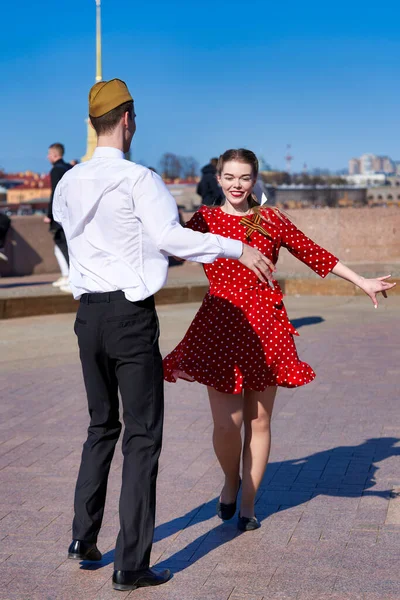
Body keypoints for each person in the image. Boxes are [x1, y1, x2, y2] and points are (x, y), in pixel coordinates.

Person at [52, 80, 275, 592]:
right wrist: (236, 249)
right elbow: (171, 238)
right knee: (143, 437)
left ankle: (83, 537)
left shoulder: (68, 183)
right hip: (130, 317)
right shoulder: (140, 180)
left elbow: (71, 236)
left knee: (100, 425)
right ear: (128, 120)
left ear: (93, 124)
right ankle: (130, 565)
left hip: (87, 317)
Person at [163, 148, 395, 532]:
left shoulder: (270, 219)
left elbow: (314, 253)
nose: (237, 185)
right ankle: (230, 481)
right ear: (218, 179)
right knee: (227, 423)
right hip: (220, 323)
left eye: (245, 178)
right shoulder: (203, 220)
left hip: (266, 324)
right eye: (230, 177)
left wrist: (362, 281)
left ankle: (249, 504)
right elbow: (169, 247)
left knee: (259, 421)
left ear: (254, 181)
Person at [44, 143, 72, 292]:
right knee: (62, 246)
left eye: (49, 154)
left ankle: (69, 276)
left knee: (62, 245)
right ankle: (67, 275)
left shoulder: (56, 170)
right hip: (72, 213)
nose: (47, 157)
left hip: (60, 215)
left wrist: (50, 215)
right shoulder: (69, 168)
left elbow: (55, 193)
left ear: (55, 154)